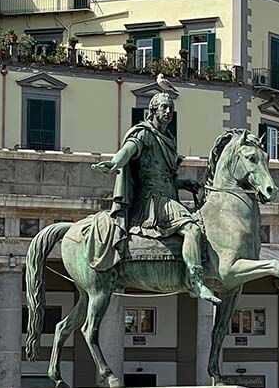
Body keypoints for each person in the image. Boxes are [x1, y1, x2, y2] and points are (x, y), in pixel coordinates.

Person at [89, 90, 220, 303]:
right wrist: (115, 162)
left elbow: (163, 176)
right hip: (153, 201)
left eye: (171, 108)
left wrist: (183, 183)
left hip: (168, 197)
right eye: (164, 107)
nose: (168, 111)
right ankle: (196, 282)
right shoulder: (144, 133)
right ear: (153, 110)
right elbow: (129, 150)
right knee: (193, 229)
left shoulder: (168, 139)